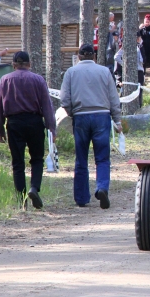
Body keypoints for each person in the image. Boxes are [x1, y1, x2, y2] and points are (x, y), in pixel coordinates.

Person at [61, 44, 122, 209]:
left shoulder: (71, 72)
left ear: (79, 56)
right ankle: (102, 187)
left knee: (81, 158)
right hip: (102, 116)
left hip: (80, 117)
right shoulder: (104, 71)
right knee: (102, 157)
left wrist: (72, 113)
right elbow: (113, 98)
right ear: (94, 56)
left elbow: (64, 99)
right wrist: (117, 120)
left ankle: (81, 197)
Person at [0, 51, 56, 209]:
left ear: (14, 65)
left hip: (14, 123)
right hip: (35, 122)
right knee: (37, 159)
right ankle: (34, 188)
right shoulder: (38, 79)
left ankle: (21, 200)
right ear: (29, 64)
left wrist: (0, 129)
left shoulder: (5, 80)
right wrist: (52, 127)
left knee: (18, 163)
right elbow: (47, 105)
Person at [114, 36, 146, 108]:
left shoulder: (139, 48)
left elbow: (143, 60)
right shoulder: (124, 49)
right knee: (126, 93)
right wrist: (124, 65)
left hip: (139, 73)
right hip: (127, 73)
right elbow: (116, 57)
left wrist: (140, 46)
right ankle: (122, 109)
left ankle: (138, 109)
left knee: (138, 93)